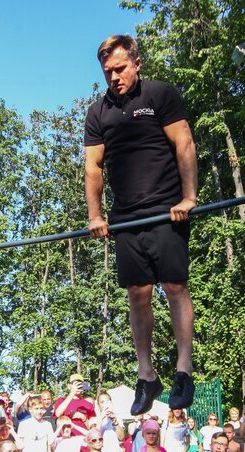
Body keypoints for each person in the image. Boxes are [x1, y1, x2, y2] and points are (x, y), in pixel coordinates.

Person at [84, 34, 198, 415]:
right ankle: (147, 375)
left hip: (167, 207)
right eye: (107, 72)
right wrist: (95, 216)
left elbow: (184, 143)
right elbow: (93, 167)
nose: (114, 77)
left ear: (136, 63)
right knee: (137, 292)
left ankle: (184, 369)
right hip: (126, 215)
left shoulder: (160, 94)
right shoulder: (98, 113)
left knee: (174, 286)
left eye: (119, 68)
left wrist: (189, 197)